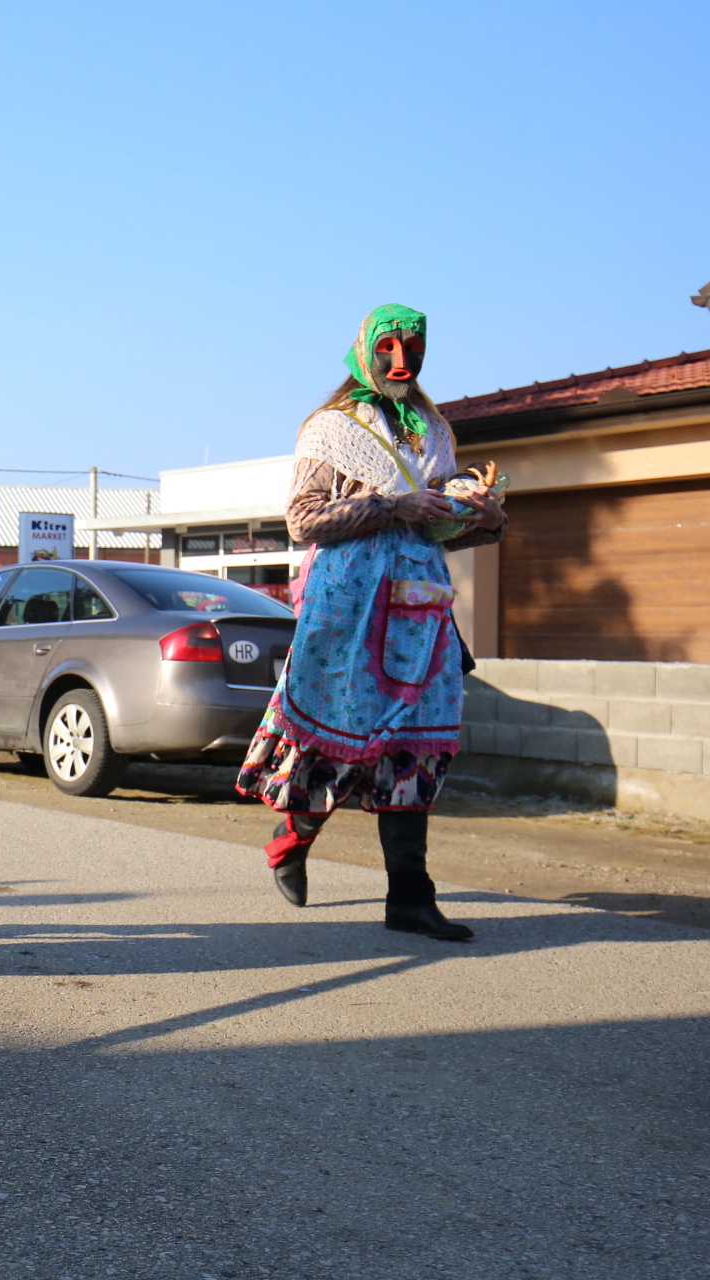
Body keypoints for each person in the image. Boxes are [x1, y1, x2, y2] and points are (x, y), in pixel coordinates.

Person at [236, 304, 506, 942]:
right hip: (348, 610)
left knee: (416, 745)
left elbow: (438, 526)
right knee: (339, 740)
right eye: (387, 347)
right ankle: (291, 840)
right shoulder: (331, 429)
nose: (400, 361)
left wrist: (484, 518)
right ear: (363, 351)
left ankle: (410, 896)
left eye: (412, 347)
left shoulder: (435, 432)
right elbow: (304, 521)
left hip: (421, 607)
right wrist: (392, 503)